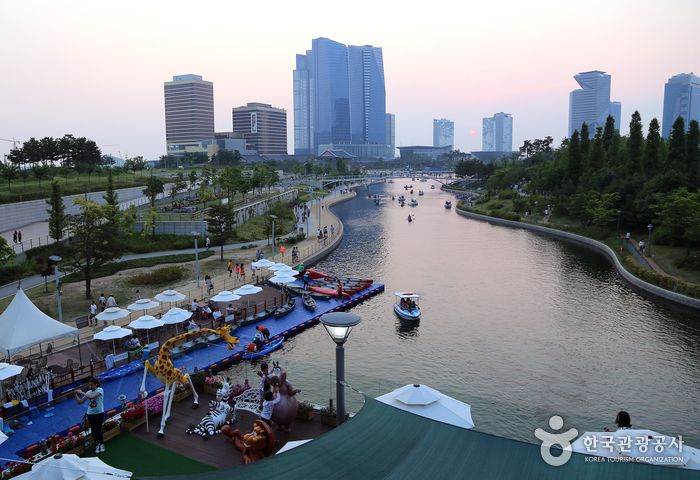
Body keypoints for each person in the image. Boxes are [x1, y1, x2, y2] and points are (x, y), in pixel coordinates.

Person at [74, 377, 105, 453]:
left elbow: (91, 397)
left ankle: (102, 444)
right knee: (93, 431)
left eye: (92, 385)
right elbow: (80, 402)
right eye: (89, 385)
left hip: (99, 413)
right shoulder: (88, 392)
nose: (90, 387)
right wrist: (75, 395)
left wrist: (81, 392)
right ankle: (97, 444)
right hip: (91, 414)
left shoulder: (100, 390)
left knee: (98, 431)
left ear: (96, 384)